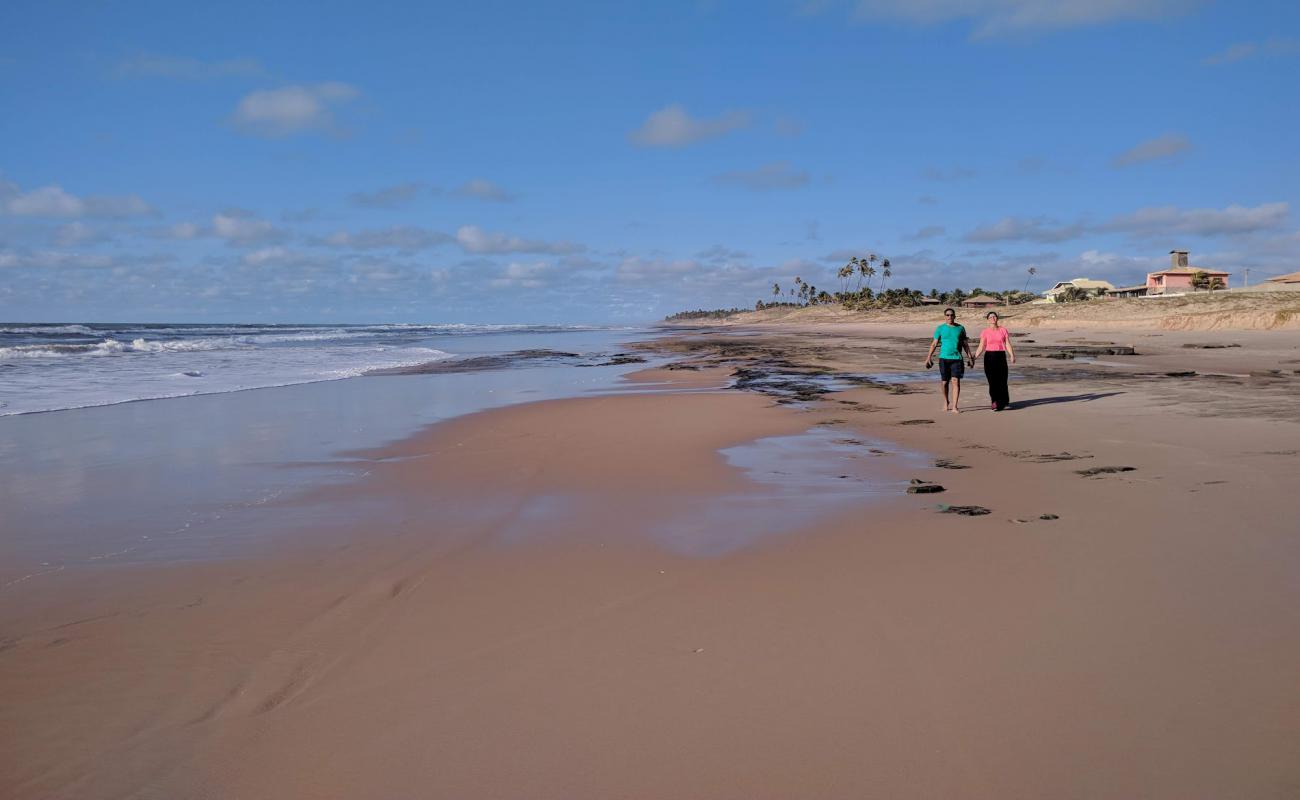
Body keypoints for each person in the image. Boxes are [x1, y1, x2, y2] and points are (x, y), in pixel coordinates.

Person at [924, 307, 975, 414]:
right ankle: (946, 401)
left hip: (957, 359)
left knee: (955, 381)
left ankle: (955, 406)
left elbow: (965, 344)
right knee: (944, 382)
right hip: (943, 358)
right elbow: (934, 343)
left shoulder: (960, 328)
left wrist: (970, 357)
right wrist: (928, 357)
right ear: (945, 316)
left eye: (951, 315)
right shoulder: (940, 328)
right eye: (947, 315)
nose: (950, 317)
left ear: (955, 316)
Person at [974, 311, 1016, 411]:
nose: (993, 318)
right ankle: (995, 402)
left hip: (1001, 356)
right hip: (989, 356)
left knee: (1002, 380)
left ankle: (1004, 402)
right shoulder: (985, 332)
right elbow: (981, 346)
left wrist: (1012, 355)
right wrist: (974, 357)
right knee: (992, 381)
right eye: (990, 317)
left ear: (997, 318)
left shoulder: (1003, 330)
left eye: (994, 316)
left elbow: (1007, 344)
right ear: (987, 320)